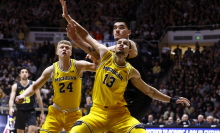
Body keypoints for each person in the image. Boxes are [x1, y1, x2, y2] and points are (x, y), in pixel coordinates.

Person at [66, 19, 190, 133]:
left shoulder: (130, 63)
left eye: (124, 43)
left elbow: (149, 91)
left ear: (129, 49)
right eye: (115, 28)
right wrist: (69, 21)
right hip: (104, 108)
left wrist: (172, 99)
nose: (121, 43)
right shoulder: (105, 55)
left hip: (135, 102)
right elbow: (86, 37)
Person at [60, 0, 152, 122]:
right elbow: (86, 37)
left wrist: (97, 51)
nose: (117, 30)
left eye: (121, 28)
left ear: (129, 32)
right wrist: (70, 27)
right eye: (115, 28)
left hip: (139, 99)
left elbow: (96, 50)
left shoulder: (131, 45)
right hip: (122, 99)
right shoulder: (109, 55)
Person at [15, 40, 98, 133]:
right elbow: (34, 86)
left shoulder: (78, 65)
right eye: (61, 47)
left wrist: (94, 58)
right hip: (55, 113)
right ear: (57, 52)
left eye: (67, 48)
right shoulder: (51, 69)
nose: (64, 49)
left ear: (70, 52)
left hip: (73, 114)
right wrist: (23, 95)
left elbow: (99, 66)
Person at [9, 67, 45, 133]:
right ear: (20, 75)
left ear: (28, 74)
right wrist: (11, 108)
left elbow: (39, 99)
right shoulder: (15, 86)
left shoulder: (34, 84)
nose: (24, 74)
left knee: (32, 130)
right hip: (20, 111)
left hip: (31, 111)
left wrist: (42, 112)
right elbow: (11, 99)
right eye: (22, 72)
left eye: (26, 72)